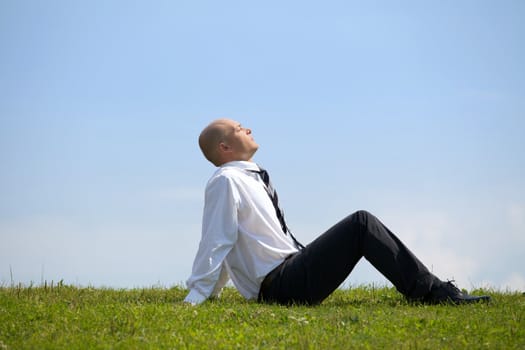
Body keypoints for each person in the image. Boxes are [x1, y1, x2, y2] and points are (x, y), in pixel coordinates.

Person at [184, 118, 490, 306]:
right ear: (224, 147)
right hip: (282, 286)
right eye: (240, 128)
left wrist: (214, 292)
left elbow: (230, 242)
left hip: (289, 273)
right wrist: (197, 296)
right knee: (361, 223)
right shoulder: (226, 181)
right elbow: (217, 239)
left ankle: (431, 291)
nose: (248, 128)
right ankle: (434, 293)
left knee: (360, 224)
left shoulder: (247, 177)